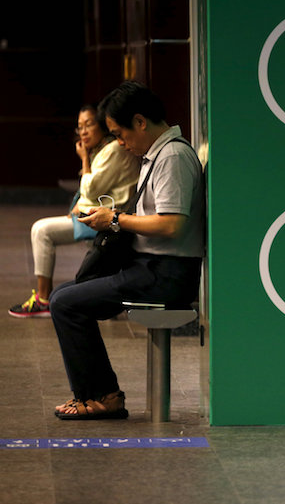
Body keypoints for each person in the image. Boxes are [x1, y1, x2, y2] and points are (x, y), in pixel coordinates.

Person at [50, 81, 204, 420]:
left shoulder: (174, 157)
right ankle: (101, 392)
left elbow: (171, 224)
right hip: (151, 266)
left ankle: (103, 396)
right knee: (65, 294)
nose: (121, 143)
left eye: (120, 134)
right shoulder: (158, 154)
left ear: (140, 121)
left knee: (65, 303)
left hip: (166, 273)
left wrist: (116, 218)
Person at [8, 104, 140, 318]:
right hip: (101, 214)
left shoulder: (113, 149)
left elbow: (90, 188)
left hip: (109, 220)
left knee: (41, 230)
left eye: (89, 124)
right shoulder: (104, 149)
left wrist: (84, 158)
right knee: (42, 229)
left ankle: (43, 300)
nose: (84, 131)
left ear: (102, 125)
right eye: (80, 127)